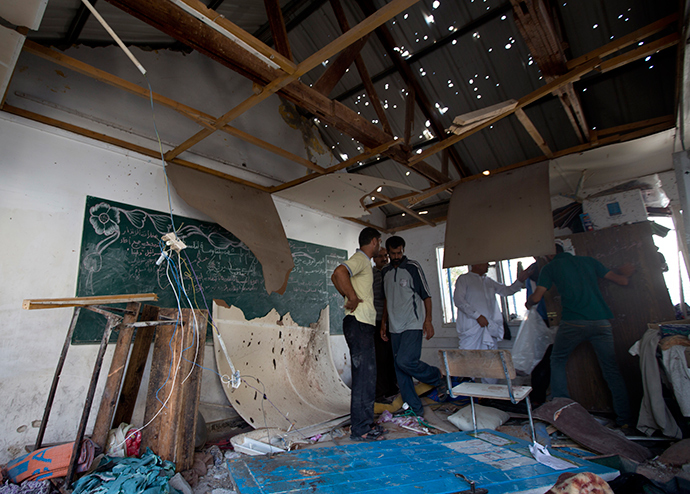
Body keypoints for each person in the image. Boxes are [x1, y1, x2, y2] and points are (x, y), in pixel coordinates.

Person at [526, 242, 635, 426]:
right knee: (611, 370)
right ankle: (625, 419)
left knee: (558, 359)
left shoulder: (550, 267)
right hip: (601, 322)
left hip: (573, 322)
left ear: (549, 255)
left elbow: (536, 297)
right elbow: (622, 281)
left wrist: (528, 304)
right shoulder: (589, 262)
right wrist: (627, 272)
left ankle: (562, 412)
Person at [381, 236, 446, 417]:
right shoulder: (384, 272)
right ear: (388, 252)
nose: (396, 256)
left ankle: (436, 376)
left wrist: (428, 320)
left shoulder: (413, 267)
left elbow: (426, 295)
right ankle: (415, 409)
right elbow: (386, 298)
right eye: (393, 253)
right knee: (400, 370)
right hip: (394, 327)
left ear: (403, 250)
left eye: (399, 252)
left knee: (405, 361)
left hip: (412, 324)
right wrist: (384, 323)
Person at [331, 227, 384, 441]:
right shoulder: (361, 258)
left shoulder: (363, 261)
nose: (379, 246)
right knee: (365, 378)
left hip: (359, 323)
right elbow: (338, 273)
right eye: (379, 242)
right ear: (374, 241)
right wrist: (351, 297)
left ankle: (364, 425)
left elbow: (336, 279)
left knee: (366, 377)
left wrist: (347, 294)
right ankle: (361, 429)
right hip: (359, 323)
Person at [454, 262, 531, 351]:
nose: (488, 265)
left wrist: (520, 280)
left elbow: (506, 291)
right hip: (472, 328)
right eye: (485, 262)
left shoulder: (488, 281)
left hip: (489, 326)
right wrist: (478, 316)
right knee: (471, 358)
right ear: (476, 264)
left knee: (490, 359)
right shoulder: (464, 279)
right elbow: (459, 301)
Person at [373, 247, 398, 401]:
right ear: (374, 259)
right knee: (380, 358)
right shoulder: (371, 275)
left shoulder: (392, 272)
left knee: (393, 357)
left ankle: (392, 389)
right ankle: (380, 393)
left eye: (386, 256)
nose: (384, 259)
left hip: (393, 321)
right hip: (377, 320)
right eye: (380, 256)